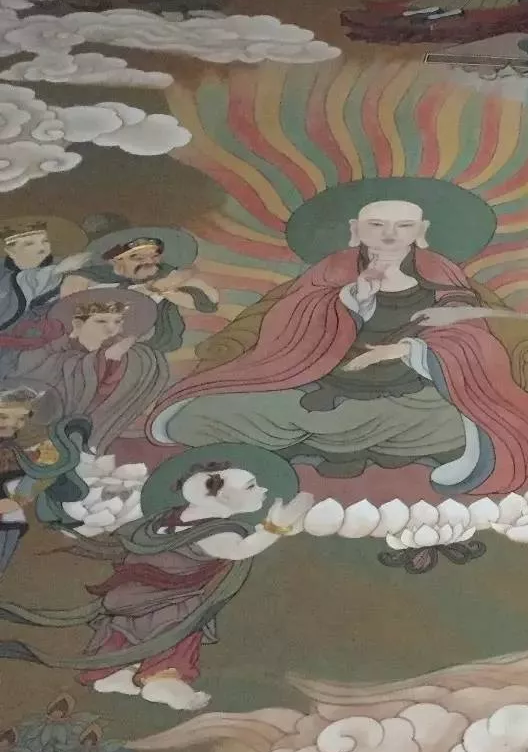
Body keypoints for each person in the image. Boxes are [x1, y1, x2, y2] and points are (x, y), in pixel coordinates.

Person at [147, 200, 528, 491]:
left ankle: (338, 448)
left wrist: (406, 351)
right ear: (356, 230)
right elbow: (286, 318)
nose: (390, 235)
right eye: (377, 225)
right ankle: (352, 447)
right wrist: (348, 302)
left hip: (410, 394)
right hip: (322, 386)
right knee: (200, 416)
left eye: (403, 226)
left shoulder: (439, 273)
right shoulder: (334, 270)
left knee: (472, 422)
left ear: (420, 232)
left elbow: (465, 331)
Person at [0, 446, 313, 711]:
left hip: (133, 594)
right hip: (172, 600)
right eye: (250, 486)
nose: (262, 491)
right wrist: (275, 528)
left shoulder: (170, 518)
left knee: (127, 632)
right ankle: (162, 679)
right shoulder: (215, 532)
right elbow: (240, 550)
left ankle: (117, 673)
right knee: (173, 636)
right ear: (215, 495)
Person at [8, 293, 168, 451]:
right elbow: (26, 386)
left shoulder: (128, 358)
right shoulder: (45, 352)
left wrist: (108, 359)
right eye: (101, 321)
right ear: (77, 324)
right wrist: (103, 359)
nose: (111, 328)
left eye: (118, 322)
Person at [62, 234, 218, 355]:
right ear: (115, 260)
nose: (149, 262)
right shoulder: (85, 278)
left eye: (154, 256)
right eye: (138, 257)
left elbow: (209, 300)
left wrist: (166, 287)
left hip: (147, 348)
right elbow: (67, 311)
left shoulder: (166, 274)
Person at [0, 388, 89, 578]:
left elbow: (33, 473)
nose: (12, 423)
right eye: (3, 416)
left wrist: (42, 458)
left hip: (11, 521)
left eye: (21, 418)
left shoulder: (17, 447)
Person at [0, 222, 88, 335]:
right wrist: (58, 270)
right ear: (10, 251)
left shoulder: (63, 268)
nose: (41, 248)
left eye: (45, 241)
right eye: (29, 244)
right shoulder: (5, 275)